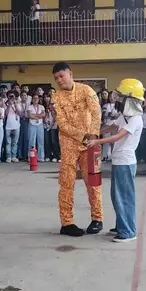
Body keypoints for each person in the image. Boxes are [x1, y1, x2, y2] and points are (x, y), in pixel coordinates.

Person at [85, 79, 145, 243]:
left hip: (125, 162)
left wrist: (96, 141)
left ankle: (128, 232)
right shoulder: (125, 116)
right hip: (119, 160)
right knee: (116, 195)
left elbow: (118, 136)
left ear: (130, 99)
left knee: (124, 197)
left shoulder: (135, 119)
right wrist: (96, 132)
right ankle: (121, 226)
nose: (118, 100)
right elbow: (112, 127)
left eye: (121, 97)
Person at [51, 62, 103, 237]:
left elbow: (96, 113)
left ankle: (97, 218)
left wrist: (93, 135)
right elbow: (63, 124)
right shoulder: (56, 98)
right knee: (66, 183)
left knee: (93, 182)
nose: (59, 80)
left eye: (61, 76)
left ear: (70, 74)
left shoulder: (86, 90)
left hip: (90, 144)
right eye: (56, 78)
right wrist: (83, 135)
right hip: (68, 145)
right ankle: (67, 223)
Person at [27, 94, 46, 162]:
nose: (35, 99)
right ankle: (31, 157)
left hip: (40, 124)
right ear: (32, 99)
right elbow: (29, 115)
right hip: (32, 124)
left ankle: (41, 157)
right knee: (31, 141)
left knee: (41, 141)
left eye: (37, 98)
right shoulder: (30, 107)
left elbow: (43, 115)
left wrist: (34, 115)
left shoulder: (41, 106)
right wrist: (38, 115)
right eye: (34, 98)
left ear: (38, 99)